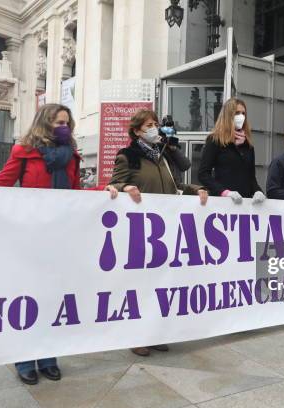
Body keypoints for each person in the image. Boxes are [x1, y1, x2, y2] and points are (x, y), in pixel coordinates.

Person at [0, 103, 118, 385]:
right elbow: (3, 182)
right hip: (29, 237)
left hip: (61, 236)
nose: (63, 126)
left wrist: (105, 190)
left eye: (67, 121)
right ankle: (25, 358)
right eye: (57, 121)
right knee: (28, 298)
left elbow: (75, 193)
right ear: (44, 122)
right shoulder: (24, 151)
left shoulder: (72, 155)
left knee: (54, 296)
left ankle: (49, 356)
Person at [108, 109, 208, 357]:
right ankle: (136, 336)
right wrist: (126, 187)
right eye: (149, 125)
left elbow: (175, 187)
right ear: (137, 131)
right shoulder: (127, 156)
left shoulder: (162, 157)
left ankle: (155, 333)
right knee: (140, 286)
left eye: (155, 124)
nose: (155, 128)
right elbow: (114, 184)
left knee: (159, 284)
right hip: (140, 230)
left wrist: (197, 189)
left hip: (164, 231)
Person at [198, 97, 265, 204]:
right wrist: (224, 192)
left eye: (243, 113)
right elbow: (203, 174)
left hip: (245, 203)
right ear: (228, 116)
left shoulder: (248, 145)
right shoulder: (215, 140)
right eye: (237, 113)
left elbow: (251, 177)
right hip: (223, 203)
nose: (241, 116)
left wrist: (258, 191)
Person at [159, 115, 191, 184]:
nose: (168, 130)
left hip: (175, 186)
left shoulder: (173, 147)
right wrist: (161, 142)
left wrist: (174, 149)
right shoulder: (155, 147)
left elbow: (185, 165)